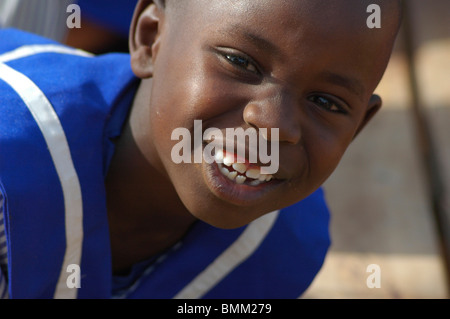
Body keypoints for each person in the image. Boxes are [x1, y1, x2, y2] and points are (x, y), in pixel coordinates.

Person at [0, 0, 402, 299]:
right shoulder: (12, 151)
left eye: (327, 103)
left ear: (358, 128)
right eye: (241, 62)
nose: (273, 124)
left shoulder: (282, 247)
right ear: (150, 37)